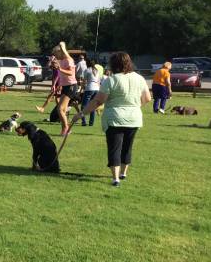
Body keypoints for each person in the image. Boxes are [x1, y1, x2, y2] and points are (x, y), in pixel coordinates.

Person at [73, 51, 151, 186]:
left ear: (114, 65)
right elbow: (147, 99)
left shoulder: (111, 80)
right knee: (127, 147)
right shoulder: (139, 78)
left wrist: (81, 114)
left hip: (115, 118)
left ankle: (115, 178)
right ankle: (123, 173)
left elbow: (97, 102)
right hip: (134, 118)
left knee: (115, 148)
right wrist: (135, 106)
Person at [53, 42, 78, 136]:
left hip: (71, 86)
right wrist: (60, 85)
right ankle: (66, 129)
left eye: (56, 54)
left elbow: (71, 73)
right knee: (62, 110)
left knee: (60, 109)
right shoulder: (62, 60)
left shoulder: (68, 60)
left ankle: (66, 129)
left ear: (60, 52)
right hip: (66, 86)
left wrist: (59, 69)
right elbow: (61, 75)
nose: (55, 56)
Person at [80, 59, 102, 126]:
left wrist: (81, 89)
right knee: (93, 106)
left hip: (89, 88)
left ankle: (83, 121)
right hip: (96, 89)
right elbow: (98, 81)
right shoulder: (97, 71)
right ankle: (91, 123)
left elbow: (84, 81)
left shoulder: (87, 70)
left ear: (87, 64)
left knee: (83, 106)